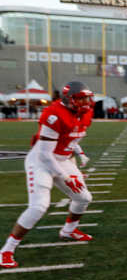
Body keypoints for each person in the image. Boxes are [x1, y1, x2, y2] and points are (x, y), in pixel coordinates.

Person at [1, 82, 95, 269]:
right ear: (69, 99)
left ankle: (68, 231)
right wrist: (66, 177)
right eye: (81, 98)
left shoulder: (85, 112)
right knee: (38, 207)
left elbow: (71, 137)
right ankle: (6, 250)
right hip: (41, 161)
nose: (86, 101)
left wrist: (75, 161)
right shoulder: (54, 114)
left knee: (83, 197)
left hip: (62, 159)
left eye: (87, 97)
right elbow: (45, 154)